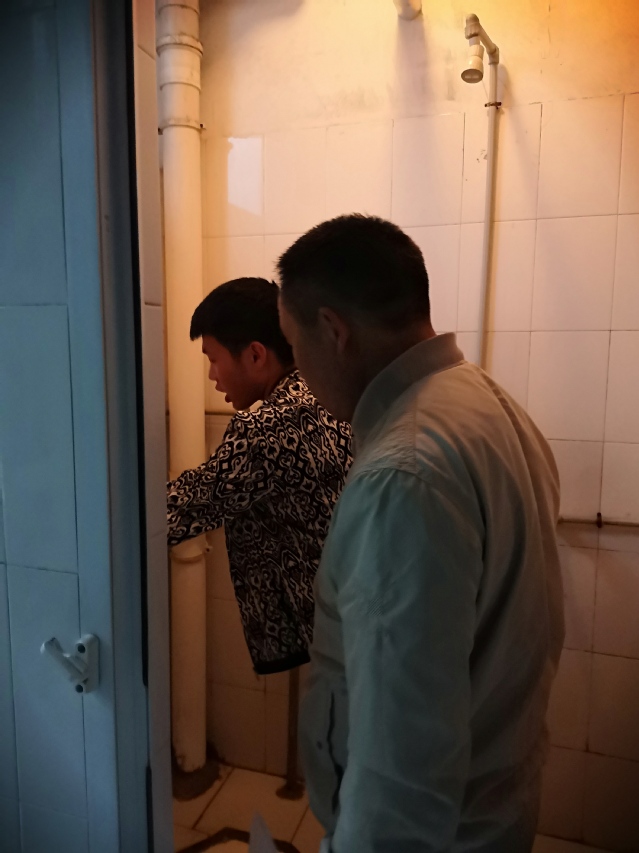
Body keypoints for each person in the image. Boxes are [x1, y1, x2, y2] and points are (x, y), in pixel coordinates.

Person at [277, 215, 564, 852]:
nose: (299, 373)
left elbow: (399, 772)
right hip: (491, 812)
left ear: (333, 331)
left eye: (294, 347)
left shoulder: (402, 475)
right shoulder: (490, 408)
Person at [167, 277, 352, 674]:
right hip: (362, 612)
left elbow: (181, 510)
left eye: (214, 359)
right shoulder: (327, 394)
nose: (212, 376)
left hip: (339, 638)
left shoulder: (263, 428)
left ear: (255, 355)